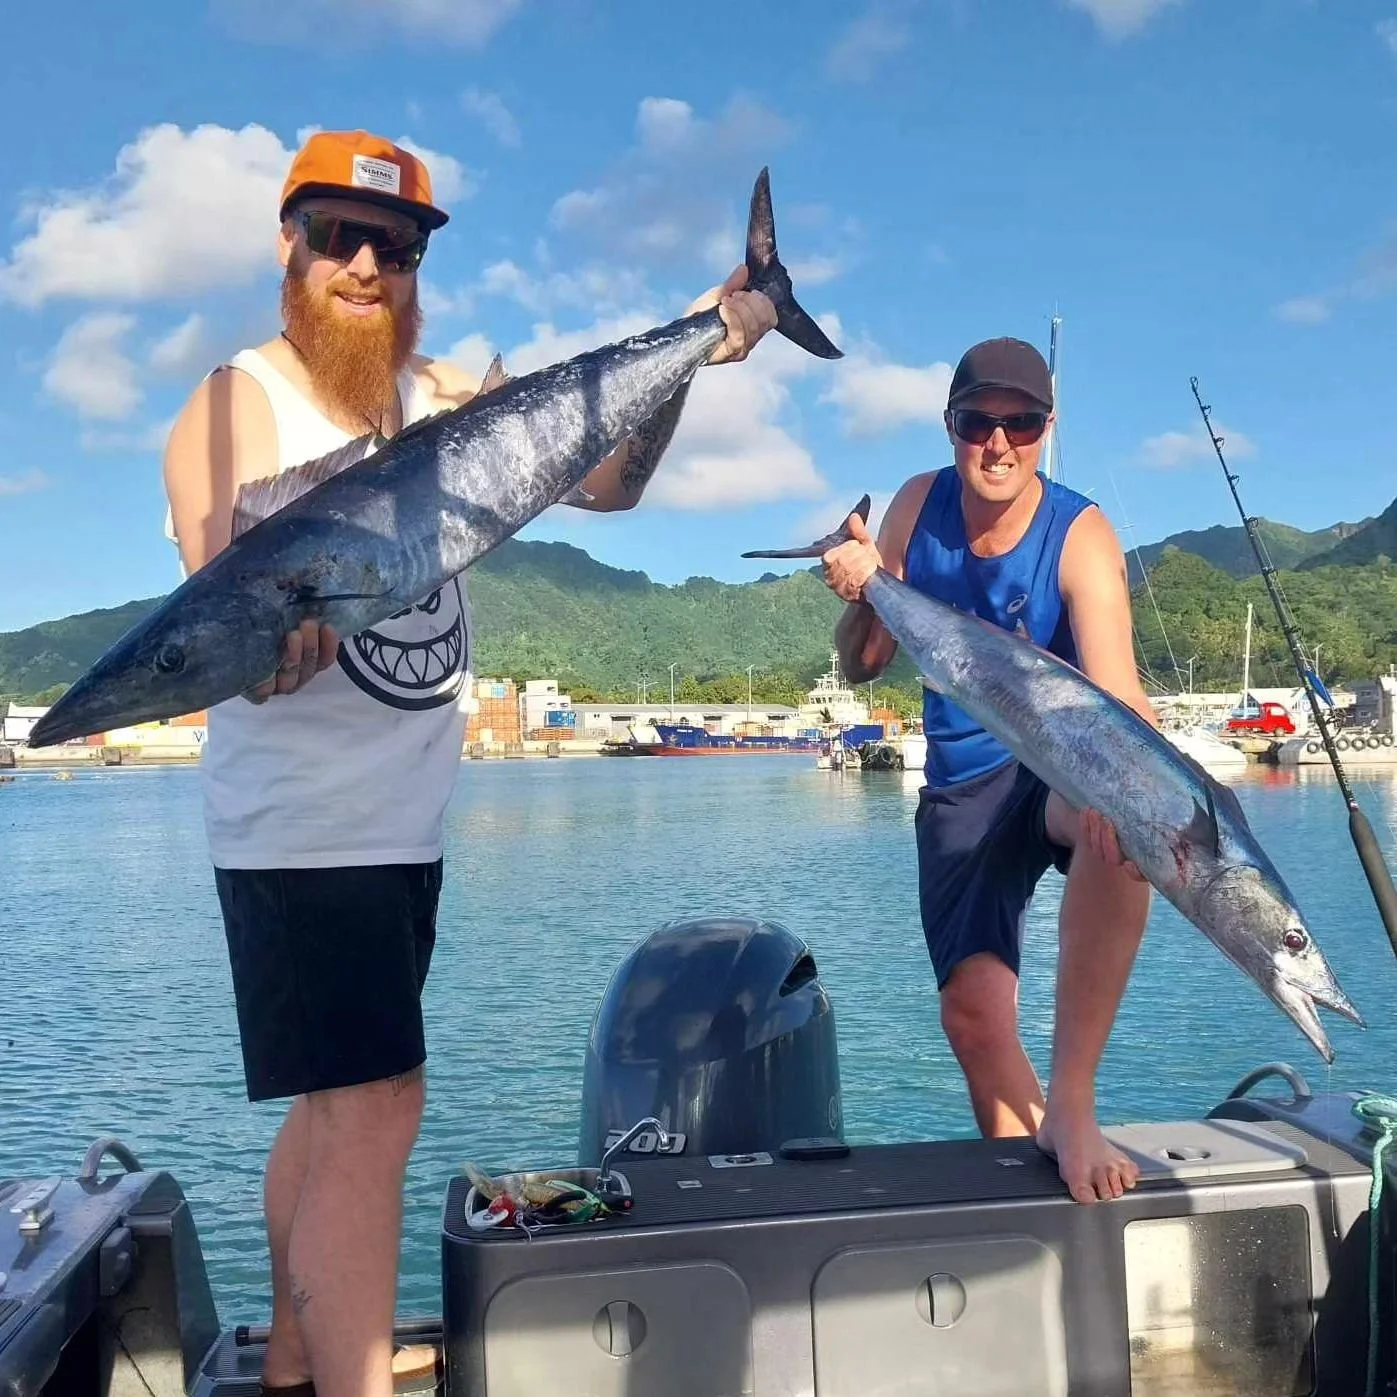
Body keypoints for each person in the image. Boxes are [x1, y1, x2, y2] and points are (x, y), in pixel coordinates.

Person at [161, 129, 777, 1397]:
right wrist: (272, 642)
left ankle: (295, 1359)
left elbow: (605, 484)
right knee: (376, 1107)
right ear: (289, 246)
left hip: (402, 825)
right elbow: (221, 597)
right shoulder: (236, 401)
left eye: (395, 247)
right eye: (340, 237)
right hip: (304, 830)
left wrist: (699, 347)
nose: (366, 266)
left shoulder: (440, 396)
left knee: (330, 1109)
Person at [819, 336, 1156, 1207]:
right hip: (960, 784)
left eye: (1022, 423)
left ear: (1046, 429)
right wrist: (861, 590)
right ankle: (1029, 1182)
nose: (998, 442)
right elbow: (863, 664)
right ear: (949, 426)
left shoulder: (1079, 534)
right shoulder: (916, 503)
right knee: (970, 1015)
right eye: (977, 422)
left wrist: (1143, 787)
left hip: (1053, 766)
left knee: (1123, 831)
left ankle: (1071, 1103)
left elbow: (1119, 691)